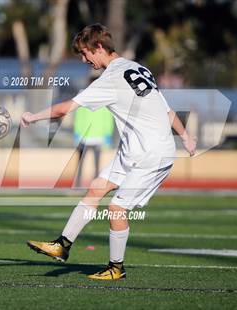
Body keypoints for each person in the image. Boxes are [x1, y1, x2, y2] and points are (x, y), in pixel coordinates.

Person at [21, 23, 196, 280]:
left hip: (152, 155)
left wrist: (32, 116)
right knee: (95, 189)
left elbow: (64, 109)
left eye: (85, 53)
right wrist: (186, 136)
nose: (84, 59)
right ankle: (62, 245)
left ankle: (116, 268)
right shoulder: (138, 68)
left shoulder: (111, 79)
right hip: (134, 151)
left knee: (116, 209)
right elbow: (167, 110)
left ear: (99, 47)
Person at [74, 103, 114, 187]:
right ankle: (77, 185)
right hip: (84, 139)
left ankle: (94, 186)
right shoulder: (85, 102)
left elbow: (108, 120)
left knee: (95, 165)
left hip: (96, 139)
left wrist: (107, 135)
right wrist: (77, 133)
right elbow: (78, 118)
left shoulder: (104, 104)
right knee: (80, 165)